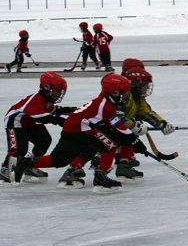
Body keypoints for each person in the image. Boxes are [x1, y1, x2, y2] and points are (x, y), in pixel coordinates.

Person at [13, 74, 149, 194]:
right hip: (81, 129)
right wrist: (136, 142)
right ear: (113, 92)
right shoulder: (105, 105)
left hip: (70, 128)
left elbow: (111, 126)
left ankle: (27, 162)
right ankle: (101, 179)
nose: (125, 96)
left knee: (59, 159)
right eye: (123, 93)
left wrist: (133, 141)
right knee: (109, 146)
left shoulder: (102, 102)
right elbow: (118, 126)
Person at [2, 72, 74, 187]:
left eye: (61, 91)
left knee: (44, 140)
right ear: (47, 88)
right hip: (14, 122)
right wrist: (60, 121)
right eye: (57, 91)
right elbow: (41, 117)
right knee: (19, 148)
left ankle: (29, 166)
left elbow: (53, 110)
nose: (59, 94)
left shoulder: (47, 100)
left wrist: (74, 110)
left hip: (28, 122)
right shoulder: (36, 99)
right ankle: (5, 171)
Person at [112, 66, 175, 182]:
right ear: (136, 84)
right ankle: (77, 168)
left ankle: (124, 165)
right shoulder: (124, 95)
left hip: (118, 127)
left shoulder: (137, 97)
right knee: (129, 137)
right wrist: (133, 125)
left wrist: (162, 124)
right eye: (145, 84)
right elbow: (116, 117)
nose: (147, 88)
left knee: (130, 137)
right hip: (107, 127)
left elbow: (145, 112)